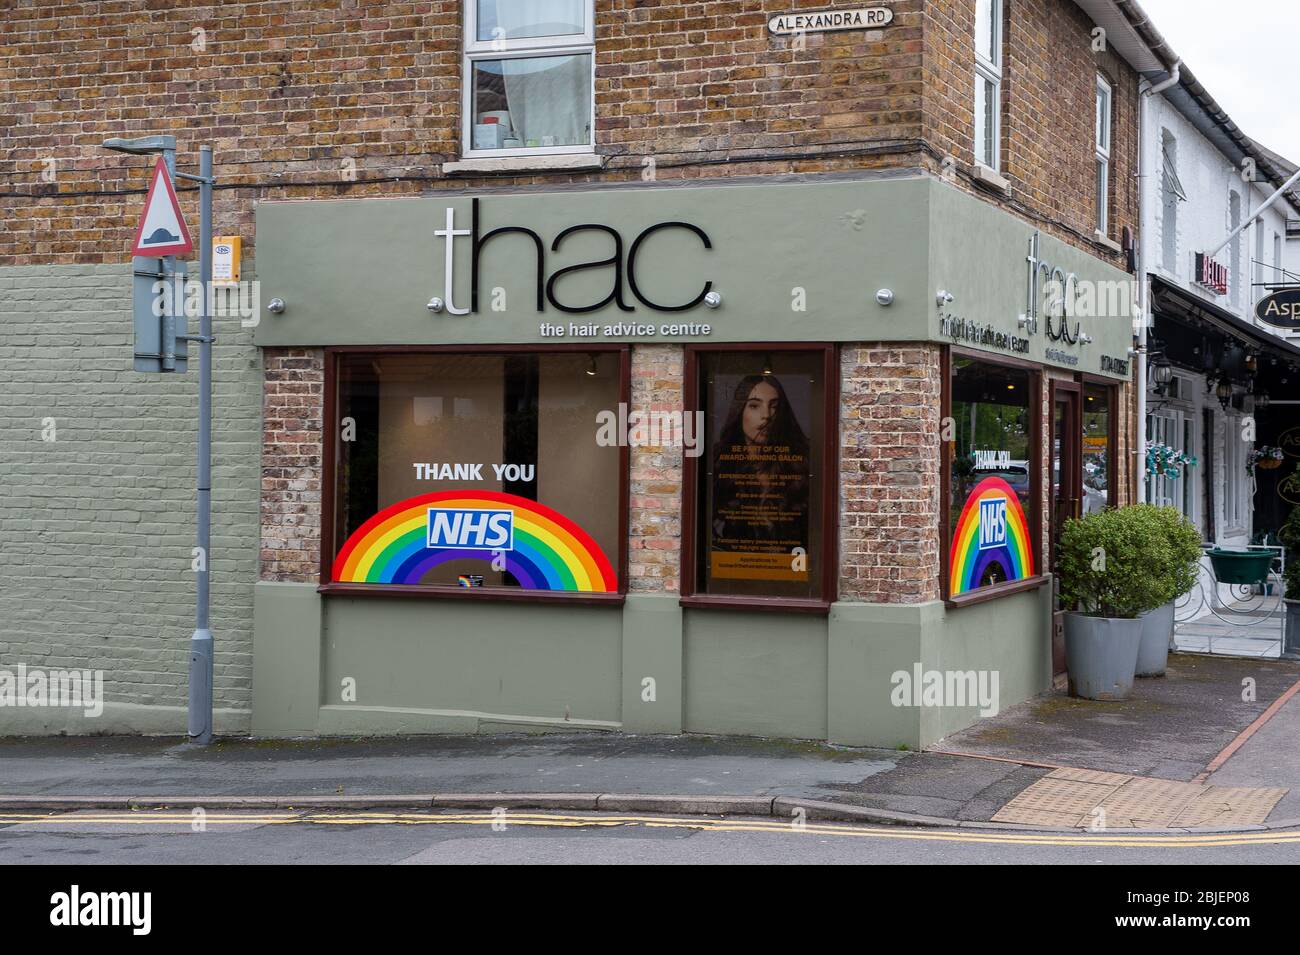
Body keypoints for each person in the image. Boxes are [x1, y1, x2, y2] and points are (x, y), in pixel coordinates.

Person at [710, 374, 811, 551]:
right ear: (740, 411)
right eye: (754, 406)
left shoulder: (802, 463)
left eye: (774, 407)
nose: (766, 416)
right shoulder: (719, 463)